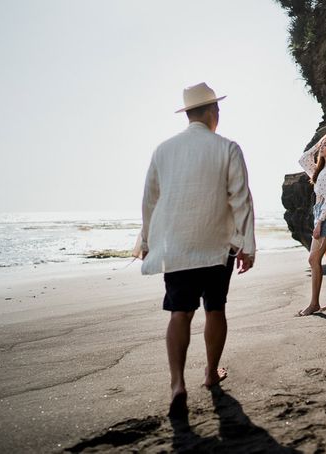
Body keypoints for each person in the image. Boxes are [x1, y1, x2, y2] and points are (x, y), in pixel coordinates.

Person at [140, 82, 255, 416]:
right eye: (217, 110)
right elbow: (240, 198)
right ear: (212, 112)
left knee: (180, 312)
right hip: (217, 245)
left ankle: (177, 384)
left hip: (177, 245)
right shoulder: (227, 147)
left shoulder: (163, 150)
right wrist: (247, 245)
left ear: (187, 114)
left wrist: (147, 241)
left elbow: (150, 200)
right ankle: (210, 373)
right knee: (215, 309)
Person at [297, 133, 326, 316]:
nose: (323, 147)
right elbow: (302, 159)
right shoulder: (319, 171)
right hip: (320, 215)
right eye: (322, 145)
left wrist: (320, 222)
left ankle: (314, 303)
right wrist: (318, 144)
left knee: (313, 259)